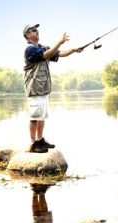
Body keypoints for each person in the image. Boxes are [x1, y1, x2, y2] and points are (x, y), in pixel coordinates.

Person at [23, 24, 83, 153]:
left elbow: (60, 54)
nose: (37, 31)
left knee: (42, 116)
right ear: (28, 35)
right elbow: (46, 55)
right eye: (33, 30)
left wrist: (73, 49)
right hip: (34, 88)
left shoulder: (43, 47)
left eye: (37, 30)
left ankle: (40, 140)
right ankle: (33, 143)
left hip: (43, 88)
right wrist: (59, 42)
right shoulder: (29, 49)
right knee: (34, 116)